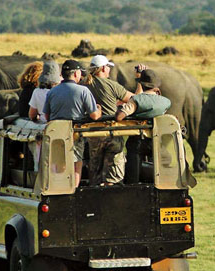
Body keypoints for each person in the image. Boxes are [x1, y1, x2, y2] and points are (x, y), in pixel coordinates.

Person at [43, 59, 102, 187]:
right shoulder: (83, 91)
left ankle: (57, 187)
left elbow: (47, 116)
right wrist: (99, 109)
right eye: (80, 73)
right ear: (75, 74)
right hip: (74, 134)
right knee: (76, 163)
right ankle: (73, 189)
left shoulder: (52, 92)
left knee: (58, 162)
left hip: (55, 134)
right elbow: (94, 115)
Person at [84, 55, 137, 186]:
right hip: (112, 132)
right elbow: (136, 100)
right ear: (102, 68)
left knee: (95, 171)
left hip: (92, 134)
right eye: (107, 67)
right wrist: (139, 80)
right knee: (114, 174)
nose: (109, 70)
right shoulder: (112, 85)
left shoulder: (85, 84)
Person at [115, 69, 171, 184]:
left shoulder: (136, 100)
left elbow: (119, 117)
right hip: (156, 139)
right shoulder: (166, 102)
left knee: (133, 170)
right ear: (156, 87)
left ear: (142, 85)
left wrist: (121, 108)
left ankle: (132, 186)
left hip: (137, 141)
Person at [28, 60, 62, 171]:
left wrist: (38, 117)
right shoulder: (60, 91)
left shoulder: (37, 92)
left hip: (43, 130)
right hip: (60, 130)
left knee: (41, 163)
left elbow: (32, 115)